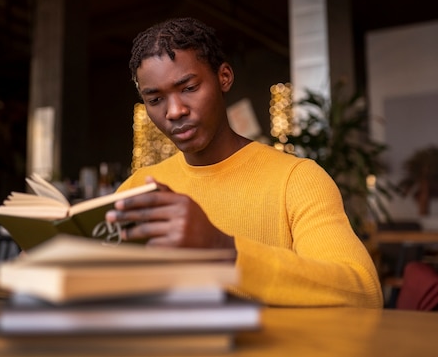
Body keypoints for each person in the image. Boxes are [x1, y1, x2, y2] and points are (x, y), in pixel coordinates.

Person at [105, 17, 383, 308]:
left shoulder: (298, 180)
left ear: (224, 77)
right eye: (155, 99)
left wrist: (222, 249)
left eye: (188, 88)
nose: (174, 111)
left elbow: (363, 293)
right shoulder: (137, 189)